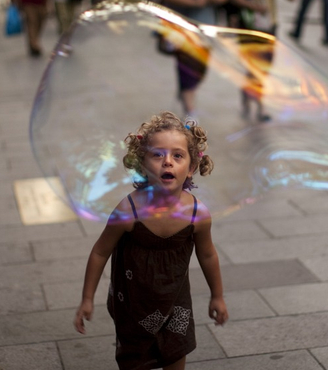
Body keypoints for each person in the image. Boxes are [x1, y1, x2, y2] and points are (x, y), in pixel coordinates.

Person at [74, 111, 228, 370]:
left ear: (191, 167)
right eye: (157, 154)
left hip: (175, 300)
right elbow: (101, 252)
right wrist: (87, 298)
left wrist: (218, 296)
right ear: (142, 165)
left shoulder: (196, 214)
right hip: (133, 303)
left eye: (177, 155)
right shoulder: (129, 210)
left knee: (175, 352)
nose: (167, 162)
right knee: (134, 359)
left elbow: (208, 255)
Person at [164, 0, 227, 117]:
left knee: (199, 71)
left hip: (204, 31)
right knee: (187, 70)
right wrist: (195, 3)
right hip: (181, 30)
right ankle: (190, 111)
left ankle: (185, 93)